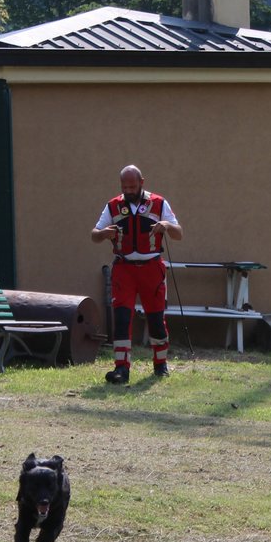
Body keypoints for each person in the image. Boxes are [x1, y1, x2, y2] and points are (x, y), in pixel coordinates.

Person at [91, 165, 183, 384]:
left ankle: (160, 364)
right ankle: (121, 369)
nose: (128, 191)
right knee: (122, 318)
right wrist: (104, 233)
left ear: (142, 182)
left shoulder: (159, 203)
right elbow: (94, 235)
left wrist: (166, 225)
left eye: (132, 186)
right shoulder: (113, 206)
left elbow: (179, 233)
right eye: (124, 187)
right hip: (124, 269)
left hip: (152, 268)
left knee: (156, 319)